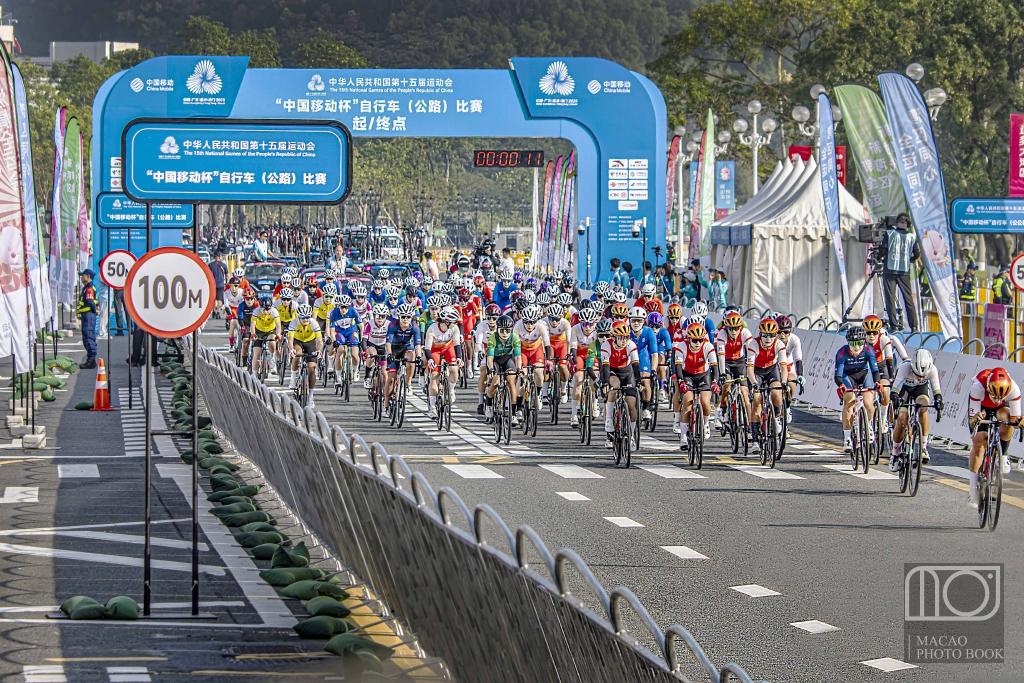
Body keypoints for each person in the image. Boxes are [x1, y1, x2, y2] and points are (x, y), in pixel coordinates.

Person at [966, 367, 1021, 507]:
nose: (997, 399)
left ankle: (1003, 455)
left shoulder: (1014, 389)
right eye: (995, 396)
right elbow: (972, 421)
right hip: (982, 407)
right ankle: (973, 491)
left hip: (1002, 408)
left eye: (1000, 397)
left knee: (1007, 419)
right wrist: (976, 419)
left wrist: (1019, 422)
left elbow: (1015, 422)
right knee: (979, 443)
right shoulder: (978, 387)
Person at [890, 348, 943, 467]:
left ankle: (923, 447)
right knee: (902, 419)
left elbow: (937, 391)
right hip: (904, 389)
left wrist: (939, 402)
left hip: (920, 390)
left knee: (923, 408)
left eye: (923, 376)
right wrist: (895, 398)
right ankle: (895, 452)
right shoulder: (905, 367)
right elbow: (895, 390)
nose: (920, 378)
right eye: (918, 375)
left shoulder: (932, 370)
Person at [834, 326, 879, 452]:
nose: (856, 347)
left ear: (864, 342)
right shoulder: (842, 352)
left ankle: (869, 425)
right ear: (848, 342)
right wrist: (841, 385)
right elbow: (838, 376)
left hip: (864, 374)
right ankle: (847, 438)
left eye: (859, 343)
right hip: (847, 376)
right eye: (853, 343)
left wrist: (877, 382)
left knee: (868, 402)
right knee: (850, 401)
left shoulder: (868, 350)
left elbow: (875, 370)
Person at [881, 213, 919, 332]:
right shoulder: (912, 237)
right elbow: (917, 254)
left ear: (897, 222)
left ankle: (894, 326)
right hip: (904, 271)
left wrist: (879, 257)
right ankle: (914, 327)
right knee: (908, 299)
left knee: (890, 299)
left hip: (890, 269)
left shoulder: (890, 233)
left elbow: (883, 250)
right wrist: (909, 260)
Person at [77, 269, 98, 369]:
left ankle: (91, 360)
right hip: (87, 316)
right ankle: (91, 359)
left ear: (88, 276)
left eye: (83, 275)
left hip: (88, 316)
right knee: (87, 336)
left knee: (88, 337)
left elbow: (90, 301)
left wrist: (94, 310)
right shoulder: (87, 287)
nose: (81, 277)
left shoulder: (89, 288)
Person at [210, 251, 228, 320]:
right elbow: (227, 275)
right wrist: (227, 283)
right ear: (219, 257)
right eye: (221, 256)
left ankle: (214, 311)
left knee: (213, 299)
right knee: (220, 300)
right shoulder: (223, 265)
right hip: (220, 285)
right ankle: (217, 312)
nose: (221, 258)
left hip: (212, 285)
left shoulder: (210, 265)